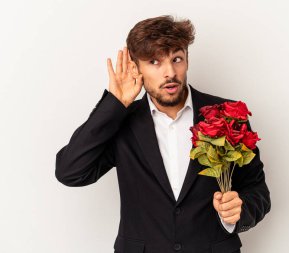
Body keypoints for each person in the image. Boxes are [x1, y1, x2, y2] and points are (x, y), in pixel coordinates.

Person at [55, 15, 271, 253]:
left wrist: (240, 210)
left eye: (176, 59)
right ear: (136, 67)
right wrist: (114, 105)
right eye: (155, 62)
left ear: (187, 60)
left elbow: (257, 189)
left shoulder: (226, 115)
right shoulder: (121, 122)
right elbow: (70, 172)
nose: (170, 72)